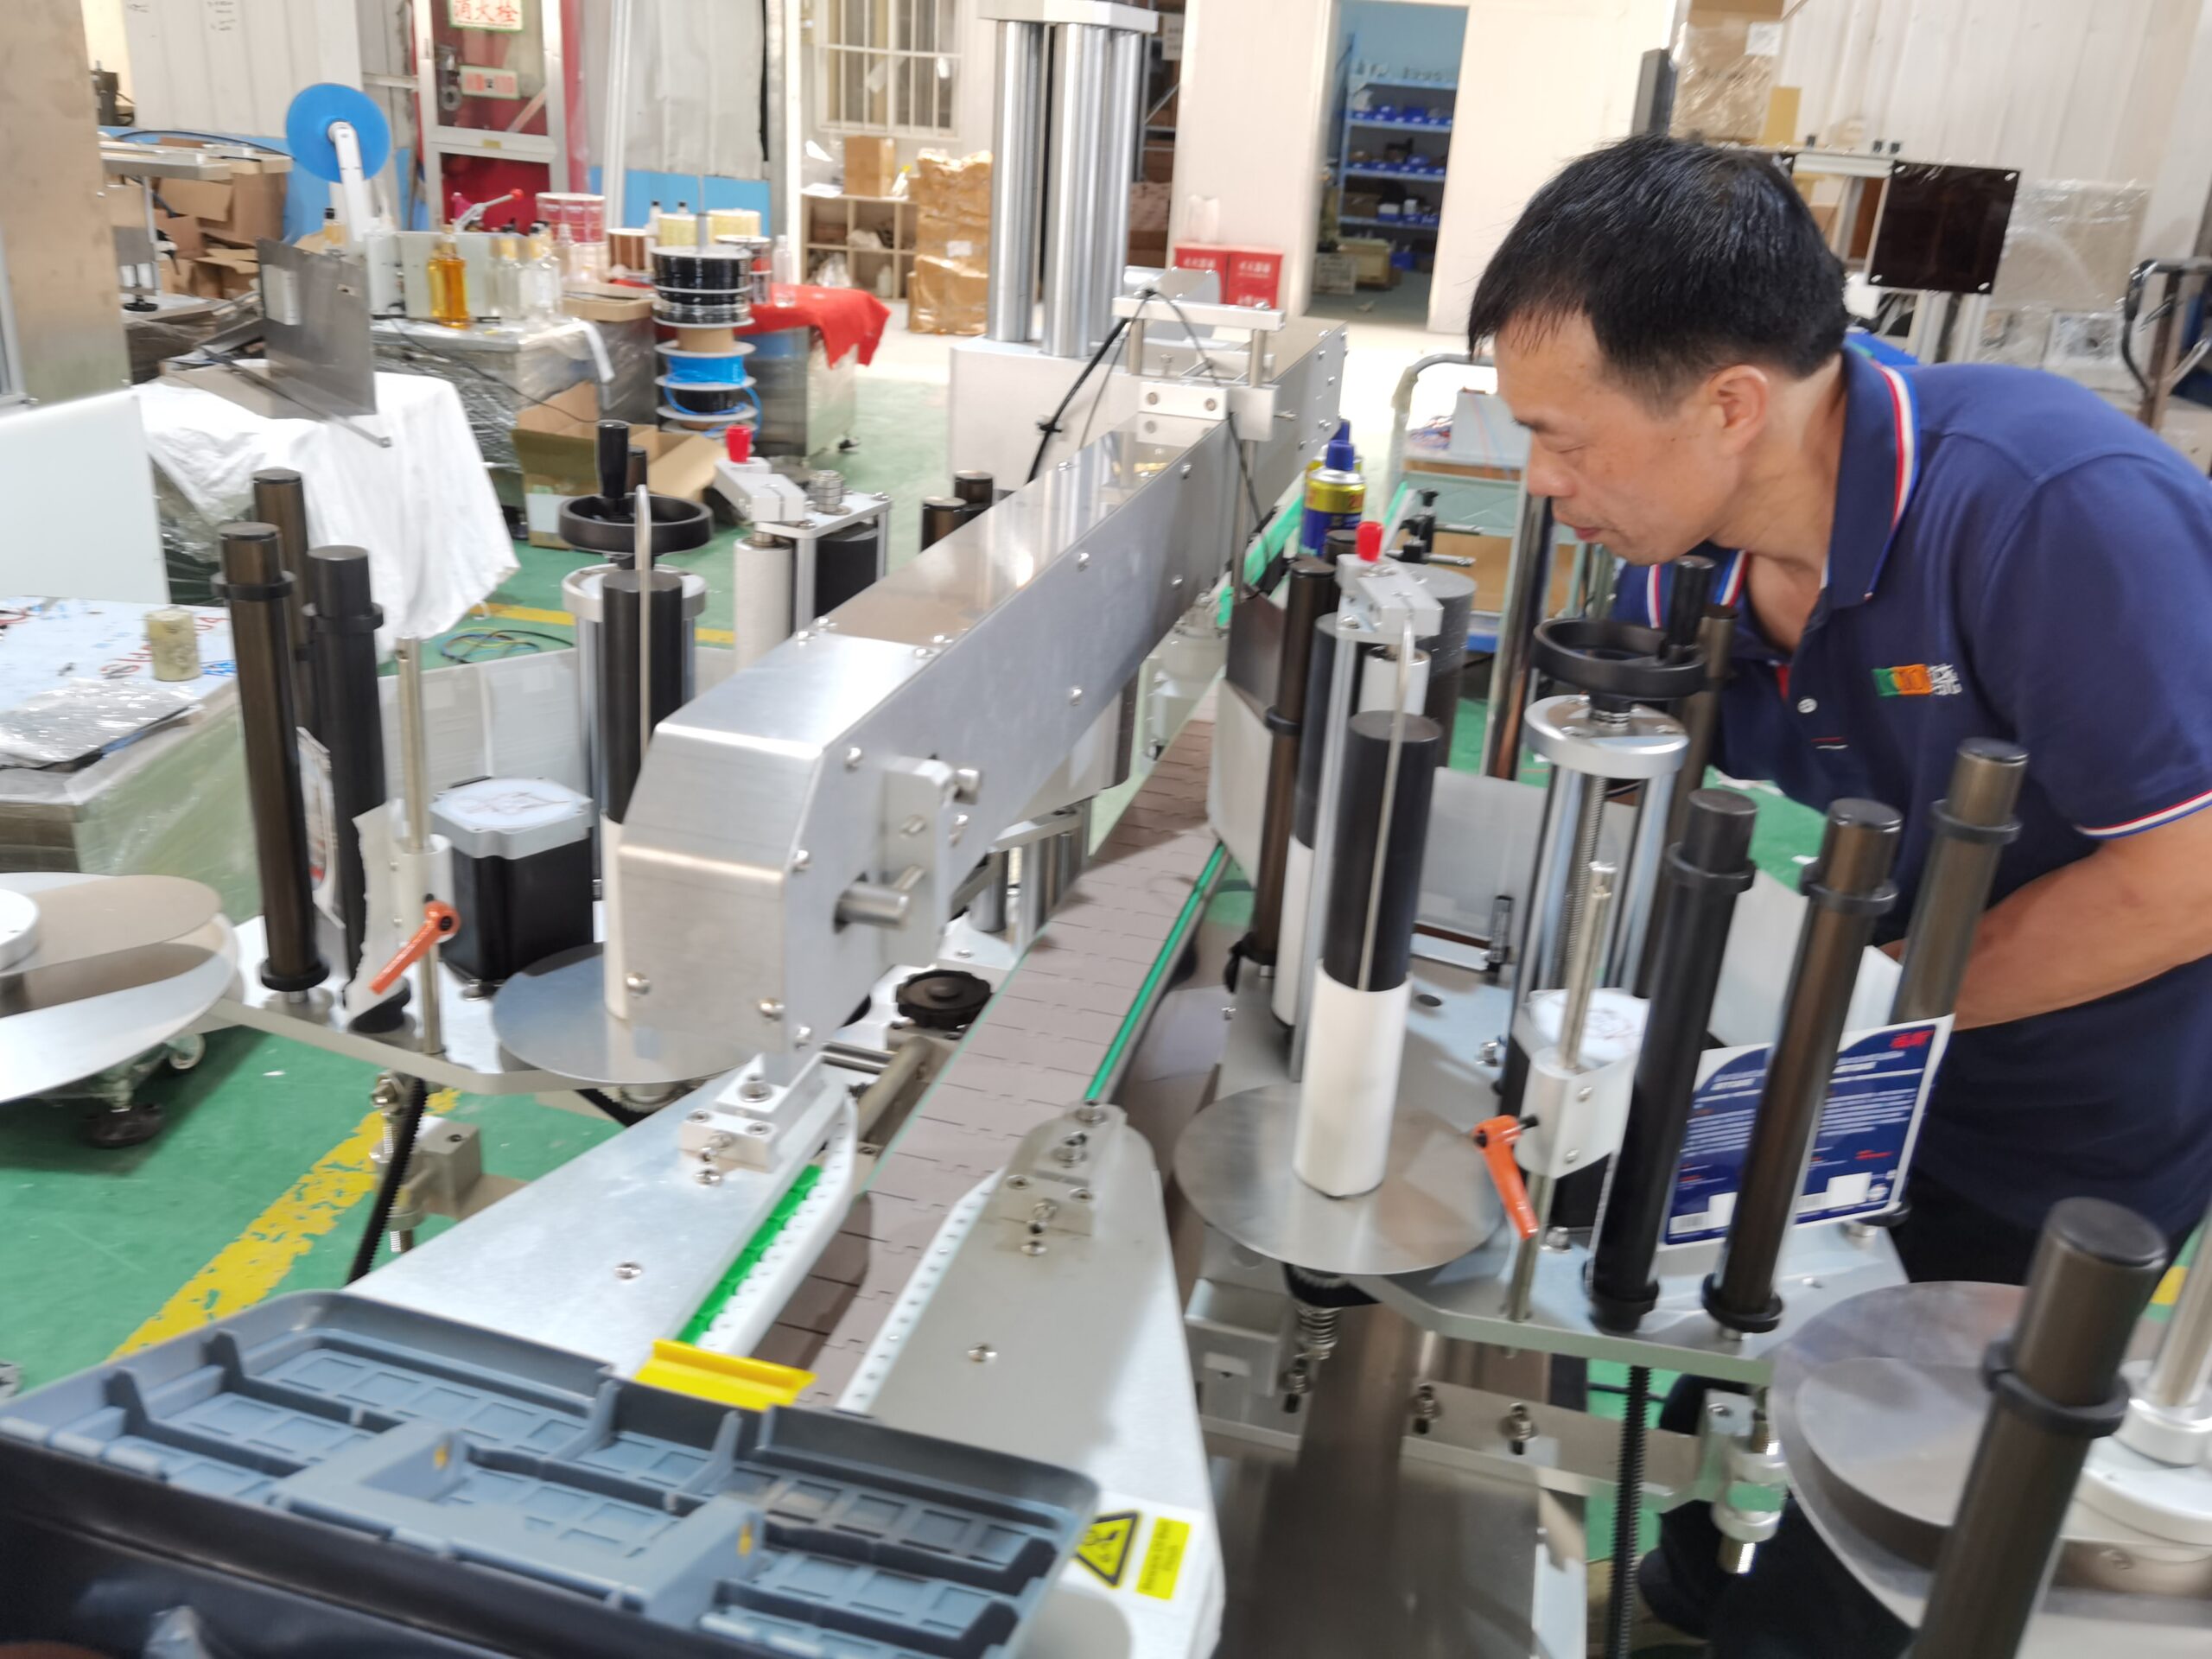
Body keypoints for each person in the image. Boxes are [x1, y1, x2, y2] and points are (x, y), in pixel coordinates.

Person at [1465, 134, 2212, 1656]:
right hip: (1835, 1061)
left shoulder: (2052, 508)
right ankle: (1696, 1571)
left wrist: (1864, 1021)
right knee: (1724, 1369)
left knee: (1902, 1529)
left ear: (1732, 404)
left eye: (1562, 436)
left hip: (2059, 1122)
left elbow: (2187, 874)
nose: (1539, 480)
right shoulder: (1688, 556)